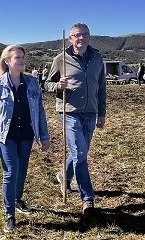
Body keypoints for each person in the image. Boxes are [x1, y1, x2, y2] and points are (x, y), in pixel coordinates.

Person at [0, 44, 50, 233]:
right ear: (7, 61)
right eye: (17, 58)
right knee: (11, 172)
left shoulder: (32, 83)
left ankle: (17, 199)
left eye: (22, 57)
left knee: (21, 171)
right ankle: (9, 215)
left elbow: (40, 111)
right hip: (5, 136)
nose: (21, 61)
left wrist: (44, 136)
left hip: (27, 135)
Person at [45, 22, 106, 215]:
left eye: (84, 35)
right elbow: (46, 84)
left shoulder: (97, 58)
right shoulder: (61, 59)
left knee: (80, 153)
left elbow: (102, 87)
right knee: (80, 153)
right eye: (77, 35)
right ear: (70, 38)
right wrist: (58, 87)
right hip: (69, 111)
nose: (81, 38)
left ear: (89, 37)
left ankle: (64, 174)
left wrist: (102, 112)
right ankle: (87, 198)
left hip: (90, 112)